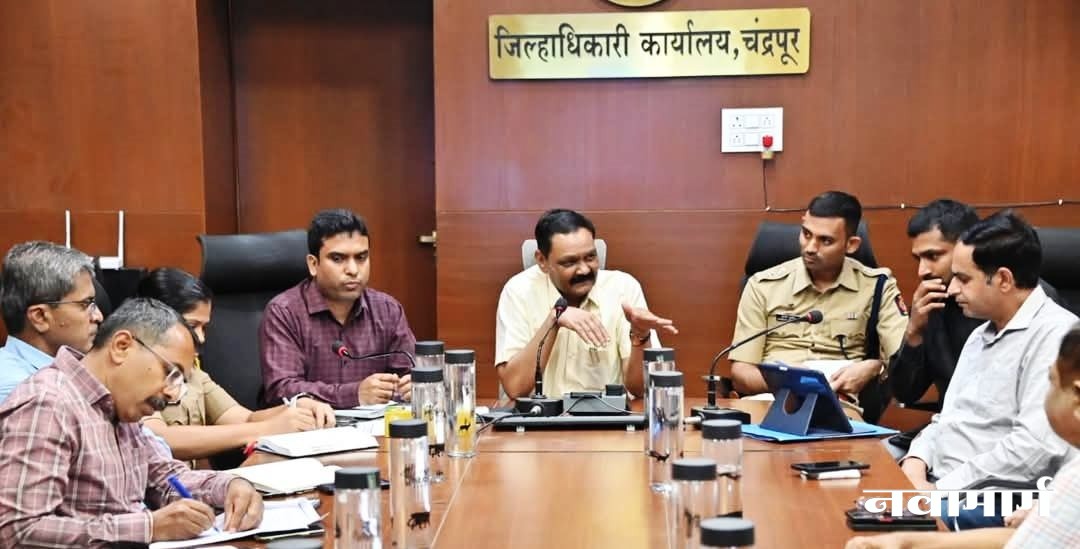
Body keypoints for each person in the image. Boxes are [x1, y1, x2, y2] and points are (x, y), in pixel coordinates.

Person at [0, 298, 263, 546]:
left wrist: (228, 486)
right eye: (170, 373)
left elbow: (167, 479)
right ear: (122, 346)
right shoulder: (48, 404)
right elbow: (18, 530)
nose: (172, 393)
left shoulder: (120, 405)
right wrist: (149, 528)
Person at [900, 210, 1076, 529]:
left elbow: (1034, 448)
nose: (951, 289)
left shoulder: (1058, 336)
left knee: (878, 526)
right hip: (941, 483)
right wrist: (914, 462)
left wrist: (938, 491)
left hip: (998, 496)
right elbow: (948, 417)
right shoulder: (981, 333)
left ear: (1004, 280)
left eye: (964, 279)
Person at [846, 323, 1080, 549]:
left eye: (1051, 382)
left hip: (979, 492)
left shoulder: (1073, 480)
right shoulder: (979, 336)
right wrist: (908, 542)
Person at [729, 191, 908, 421]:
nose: (810, 247)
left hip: (837, 403)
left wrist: (876, 367)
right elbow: (741, 371)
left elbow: (903, 360)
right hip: (769, 399)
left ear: (851, 244)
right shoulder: (763, 285)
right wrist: (789, 382)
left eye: (825, 240)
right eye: (806, 234)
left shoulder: (877, 286)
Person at [138, 268, 335, 461]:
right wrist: (265, 429)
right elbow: (158, 438)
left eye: (204, 328)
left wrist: (297, 408)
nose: (201, 338)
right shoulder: (136, 372)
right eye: (192, 326)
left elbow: (244, 418)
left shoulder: (193, 373)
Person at [495, 209, 677, 398]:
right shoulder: (519, 291)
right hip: (542, 413)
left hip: (608, 415)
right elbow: (515, 388)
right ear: (542, 260)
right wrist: (554, 320)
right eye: (569, 263)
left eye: (590, 257)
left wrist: (640, 335)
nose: (584, 270)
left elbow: (640, 390)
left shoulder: (623, 289)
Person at [261, 209, 417, 408]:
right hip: (313, 426)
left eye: (361, 257)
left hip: (378, 425)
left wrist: (413, 386)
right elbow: (281, 391)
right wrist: (354, 394)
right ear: (313, 264)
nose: (353, 270)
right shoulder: (284, 312)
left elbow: (410, 372)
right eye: (338, 259)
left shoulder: (388, 310)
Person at [888, 199, 983, 408]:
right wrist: (914, 332)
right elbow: (905, 393)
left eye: (933, 256)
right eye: (918, 259)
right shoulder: (933, 302)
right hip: (949, 422)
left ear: (968, 248)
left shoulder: (1003, 301)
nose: (922, 271)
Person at [0, 241, 103, 402]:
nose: (98, 316)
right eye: (85, 304)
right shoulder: (23, 393)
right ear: (40, 317)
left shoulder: (62, 374)